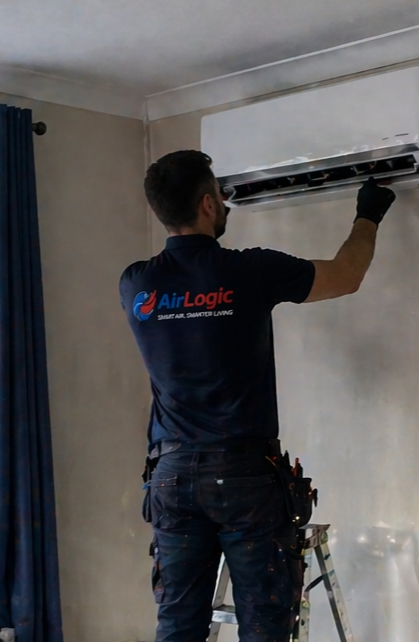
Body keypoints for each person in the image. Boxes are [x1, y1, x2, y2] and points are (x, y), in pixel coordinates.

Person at [119, 150, 396, 642]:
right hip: (243, 478)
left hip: (171, 477)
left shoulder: (137, 283)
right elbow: (346, 276)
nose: (224, 203)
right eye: (220, 197)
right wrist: (368, 214)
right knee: (264, 627)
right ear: (208, 204)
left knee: (178, 626)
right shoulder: (249, 271)